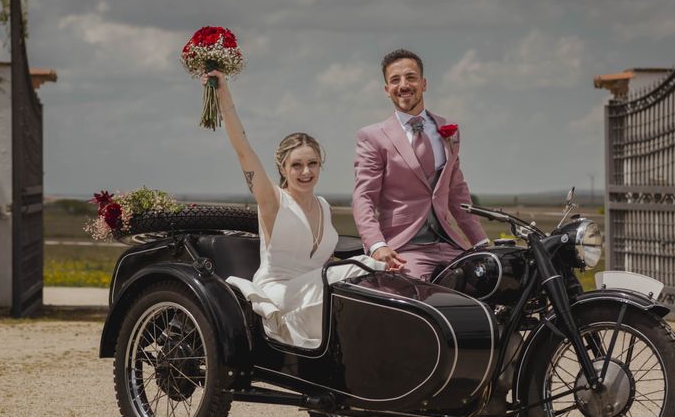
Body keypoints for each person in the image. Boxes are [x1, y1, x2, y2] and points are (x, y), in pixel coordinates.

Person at [204, 69, 384, 349]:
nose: (305, 171)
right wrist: (223, 94)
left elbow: (322, 263)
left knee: (374, 269)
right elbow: (243, 150)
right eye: (297, 165)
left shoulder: (324, 207)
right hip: (279, 292)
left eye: (312, 163)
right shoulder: (273, 201)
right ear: (283, 169)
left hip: (315, 293)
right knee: (370, 265)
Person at [352, 49, 489, 280]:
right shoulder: (372, 137)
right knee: (419, 301)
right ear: (387, 90)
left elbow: (456, 193)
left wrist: (482, 242)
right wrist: (377, 245)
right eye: (395, 80)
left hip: (448, 244)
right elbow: (363, 198)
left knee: (489, 282)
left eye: (411, 77)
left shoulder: (448, 130)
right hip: (404, 248)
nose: (403, 85)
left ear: (423, 83)